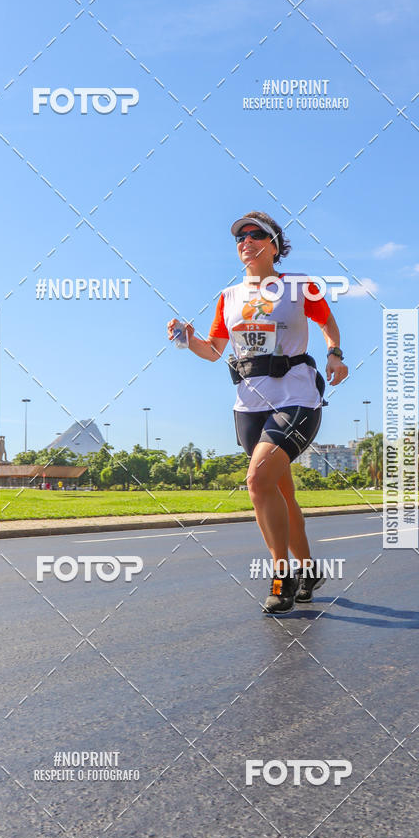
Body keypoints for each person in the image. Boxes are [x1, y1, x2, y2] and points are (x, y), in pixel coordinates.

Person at [167, 211, 348, 613]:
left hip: (296, 398)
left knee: (256, 480)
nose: (245, 241)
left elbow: (328, 324)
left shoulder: (300, 287)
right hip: (249, 406)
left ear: (274, 245)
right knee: (280, 492)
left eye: (255, 235)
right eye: (239, 238)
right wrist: (188, 338)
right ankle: (309, 570)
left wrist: (334, 354)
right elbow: (214, 352)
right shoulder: (228, 297)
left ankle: (281, 577)